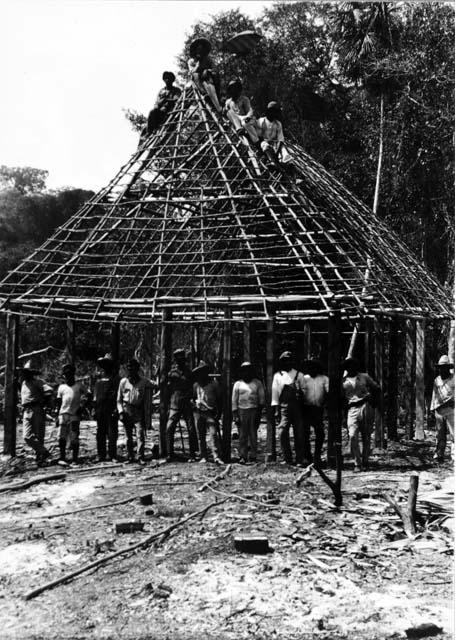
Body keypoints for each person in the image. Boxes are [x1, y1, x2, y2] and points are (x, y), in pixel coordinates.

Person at [342, 357, 380, 472]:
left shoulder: (364, 377)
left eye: (353, 365)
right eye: (348, 366)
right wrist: (344, 415)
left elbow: (376, 388)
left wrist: (373, 402)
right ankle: (357, 463)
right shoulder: (343, 381)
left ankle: (365, 461)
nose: (351, 368)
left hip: (366, 407)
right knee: (352, 435)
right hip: (352, 409)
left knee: (366, 436)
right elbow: (342, 398)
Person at [271, 351, 307, 466]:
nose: (287, 362)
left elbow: (305, 391)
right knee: (282, 432)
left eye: (289, 360)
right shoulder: (278, 375)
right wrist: (276, 410)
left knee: (299, 433)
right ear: (281, 362)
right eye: (285, 360)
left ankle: (300, 459)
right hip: (284, 408)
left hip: (298, 408)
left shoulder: (299, 375)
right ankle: (287, 458)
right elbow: (275, 393)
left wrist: (300, 393)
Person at [117, 358, 153, 464]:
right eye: (129, 368)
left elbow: (155, 384)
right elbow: (118, 399)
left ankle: (140, 456)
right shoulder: (123, 382)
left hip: (138, 410)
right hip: (127, 409)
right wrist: (120, 412)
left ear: (137, 369)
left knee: (140, 434)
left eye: (133, 368)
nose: (131, 370)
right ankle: (130, 456)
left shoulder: (143, 382)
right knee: (128, 436)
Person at [165, 349, 198, 462]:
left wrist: (192, 398)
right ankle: (169, 453)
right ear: (175, 360)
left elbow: (193, 387)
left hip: (187, 403)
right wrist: (167, 404)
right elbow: (168, 389)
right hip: (175, 403)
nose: (180, 361)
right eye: (178, 359)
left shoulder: (189, 373)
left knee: (191, 428)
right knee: (169, 427)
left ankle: (193, 453)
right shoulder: (171, 373)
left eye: (182, 359)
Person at [19, 360, 52, 465]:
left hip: (36, 409)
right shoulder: (23, 383)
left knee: (38, 435)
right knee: (27, 436)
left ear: (31, 373)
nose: (24, 374)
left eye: (27, 372)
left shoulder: (38, 382)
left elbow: (49, 391)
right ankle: (44, 452)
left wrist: (44, 403)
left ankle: (40, 459)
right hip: (26, 410)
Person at [232, 362, 265, 464]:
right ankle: (243, 456)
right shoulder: (238, 384)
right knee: (242, 435)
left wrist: (258, 414)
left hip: (254, 410)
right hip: (242, 411)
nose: (247, 373)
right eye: (244, 370)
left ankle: (253, 456)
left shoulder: (257, 383)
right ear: (241, 372)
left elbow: (262, 400)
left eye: (249, 370)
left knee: (253, 434)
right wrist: (235, 415)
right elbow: (234, 400)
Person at [56, 363, 88, 466]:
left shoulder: (79, 386)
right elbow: (59, 402)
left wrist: (82, 408)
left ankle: (75, 459)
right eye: (65, 374)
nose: (67, 376)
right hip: (63, 414)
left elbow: (88, 396)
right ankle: (62, 457)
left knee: (74, 436)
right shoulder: (61, 387)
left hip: (74, 415)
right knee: (61, 437)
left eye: (70, 374)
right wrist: (57, 415)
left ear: (73, 374)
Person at [192, 361, 223, 464]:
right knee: (200, 436)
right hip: (198, 412)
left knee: (213, 434)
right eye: (200, 372)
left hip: (210, 412)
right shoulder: (196, 385)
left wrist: (219, 413)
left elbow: (219, 399)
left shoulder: (213, 384)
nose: (202, 374)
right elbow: (192, 397)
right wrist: (194, 403)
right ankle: (203, 456)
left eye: (203, 372)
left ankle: (216, 456)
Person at [302, 359, 329, 467]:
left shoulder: (324, 378)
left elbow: (329, 392)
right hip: (306, 409)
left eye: (314, 367)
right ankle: (307, 456)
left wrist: (326, 405)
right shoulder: (304, 379)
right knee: (305, 433)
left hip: (318, 409)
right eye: (310, 367)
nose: (312, 369)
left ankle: (317, 456)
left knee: (320, 433)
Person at [93, 354, 120, 463]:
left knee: (112, 433)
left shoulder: (115, 378)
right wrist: (94, 408)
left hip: (111, 409)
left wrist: (116, 409)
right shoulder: (98, 379)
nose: (105, 366)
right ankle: (101, 455)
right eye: (103, 364)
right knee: (100, 433)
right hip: (100, 409)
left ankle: (112, 455)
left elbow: (118, 395)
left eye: (107, 364)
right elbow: (95, 395)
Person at [430, 355, 455, 463]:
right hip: (439, 410)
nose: (442, 369)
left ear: (448, 367)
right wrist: (432, 409)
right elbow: (434, 395)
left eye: (444, 367)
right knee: (440, 434)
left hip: (452, 410)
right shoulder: (437, 380)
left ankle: (454, 457)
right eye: (440, 367)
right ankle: (439, 455)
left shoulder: (454, 379)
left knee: (454, 434)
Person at [187, 37, 222, 113]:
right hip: (198, 81)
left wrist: (207, 71)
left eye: (201, 48)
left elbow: (215, 69)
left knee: (211, 81)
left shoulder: (208, 59)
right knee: (196, 75)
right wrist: (198, 64)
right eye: (198, 48)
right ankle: (204, 93)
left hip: (208, 79)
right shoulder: (191, 61)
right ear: (195, 50)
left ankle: (217, 99)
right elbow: (192, 72)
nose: (200, 50)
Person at [257, 101, 293, 167]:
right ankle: (272, 161)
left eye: (275, 112)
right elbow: (258, 136)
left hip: (275, 143)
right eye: (272, 111)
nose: (274, 114)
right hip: (264, 142)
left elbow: (280, 139)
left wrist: (276, 152)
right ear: (269, 111)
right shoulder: (261, 121)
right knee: (265, 145)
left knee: (283, 149)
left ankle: (287, 162)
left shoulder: (278, 123)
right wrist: (265, 142)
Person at [224, 79, 259, 145]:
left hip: (245, 119)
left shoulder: (244, 99)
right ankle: (239, 128)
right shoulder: (228, 102)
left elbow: (249, 111)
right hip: (236, 121)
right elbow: (227, 114)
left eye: (235, 88)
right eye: (232, 89)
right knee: (230, 112)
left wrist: (247, 117)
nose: (234, 90)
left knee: (244, 123)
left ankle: (256, 141)